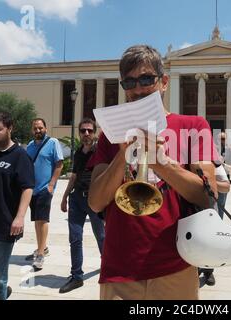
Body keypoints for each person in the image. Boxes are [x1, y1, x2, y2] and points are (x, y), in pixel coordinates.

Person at [87, 44, 217, 300]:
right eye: (129, 82)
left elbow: (206, 195)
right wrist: (123, 155)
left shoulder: (193, 126)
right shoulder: (109, 135)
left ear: (164, 82)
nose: (137, 89)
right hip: (119, 267)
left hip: (176, 266)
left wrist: (159, 162)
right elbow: (95, 202)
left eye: (146, 79)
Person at [0, 112, 34, 300]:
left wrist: (19, 217)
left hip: (2, 226)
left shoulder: (20, 156)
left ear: (10, 129)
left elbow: (27, 188)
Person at [59, 118, 105, 293]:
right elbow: (74, 176)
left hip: (94, 200)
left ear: (94, 132)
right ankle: (76, 276)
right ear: (79, 133)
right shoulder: (78, 152)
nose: (86, 134)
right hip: (76, 200)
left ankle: (107, 265)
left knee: (101, 236)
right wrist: (64, 197)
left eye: (89, 131)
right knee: (75, 238)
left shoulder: (100, 151)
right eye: (83, 131)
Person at [25, 118, 63, 270]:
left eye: (40, 128)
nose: (38, 130)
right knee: (37, 220)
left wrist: (52, 184)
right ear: (32, 130)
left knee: (42, 219)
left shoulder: (53, 142)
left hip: (45, 189)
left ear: (46, 129)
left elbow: (59, 164)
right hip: (32, 190)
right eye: (35, 128)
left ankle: (40, 254)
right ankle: (42, 247)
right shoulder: (29, 146)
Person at [199, 161, 230, 287]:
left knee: (210, 243)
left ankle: (208, 271)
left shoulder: (216, 165)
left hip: (211, 212)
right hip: (191, 210)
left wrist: (209, 183)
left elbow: (226, 187)